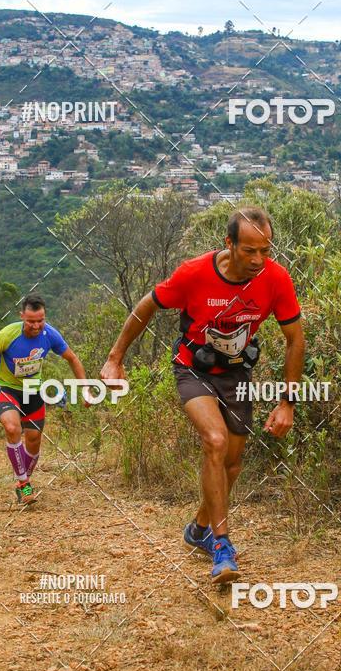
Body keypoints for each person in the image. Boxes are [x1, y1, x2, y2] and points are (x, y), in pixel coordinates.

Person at [101, 207, 305, 584]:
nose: (259, 259)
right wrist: (115, 359)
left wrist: (286, 402)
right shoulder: (194, 273)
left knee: (232, 464)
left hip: (237, 374)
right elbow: (146, 306)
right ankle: (221, 546)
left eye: (265, 250)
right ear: (229, 244)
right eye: (249, 250)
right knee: (215, 440)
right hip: (193, 369)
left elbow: (295, 339)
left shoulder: (275, 278)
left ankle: (198, 528)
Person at [0, 293, 87, 504]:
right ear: (22, 316)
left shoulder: (50, 334)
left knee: (34, 441)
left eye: (40, 320)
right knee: (12, 429)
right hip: (7, 388)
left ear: (45, 317)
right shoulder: (8, 334)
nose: (36, 326)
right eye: (31, 321)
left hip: (33, 391)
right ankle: (24, 485)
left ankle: (22, 478)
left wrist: (85, 388)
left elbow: (72, 358)